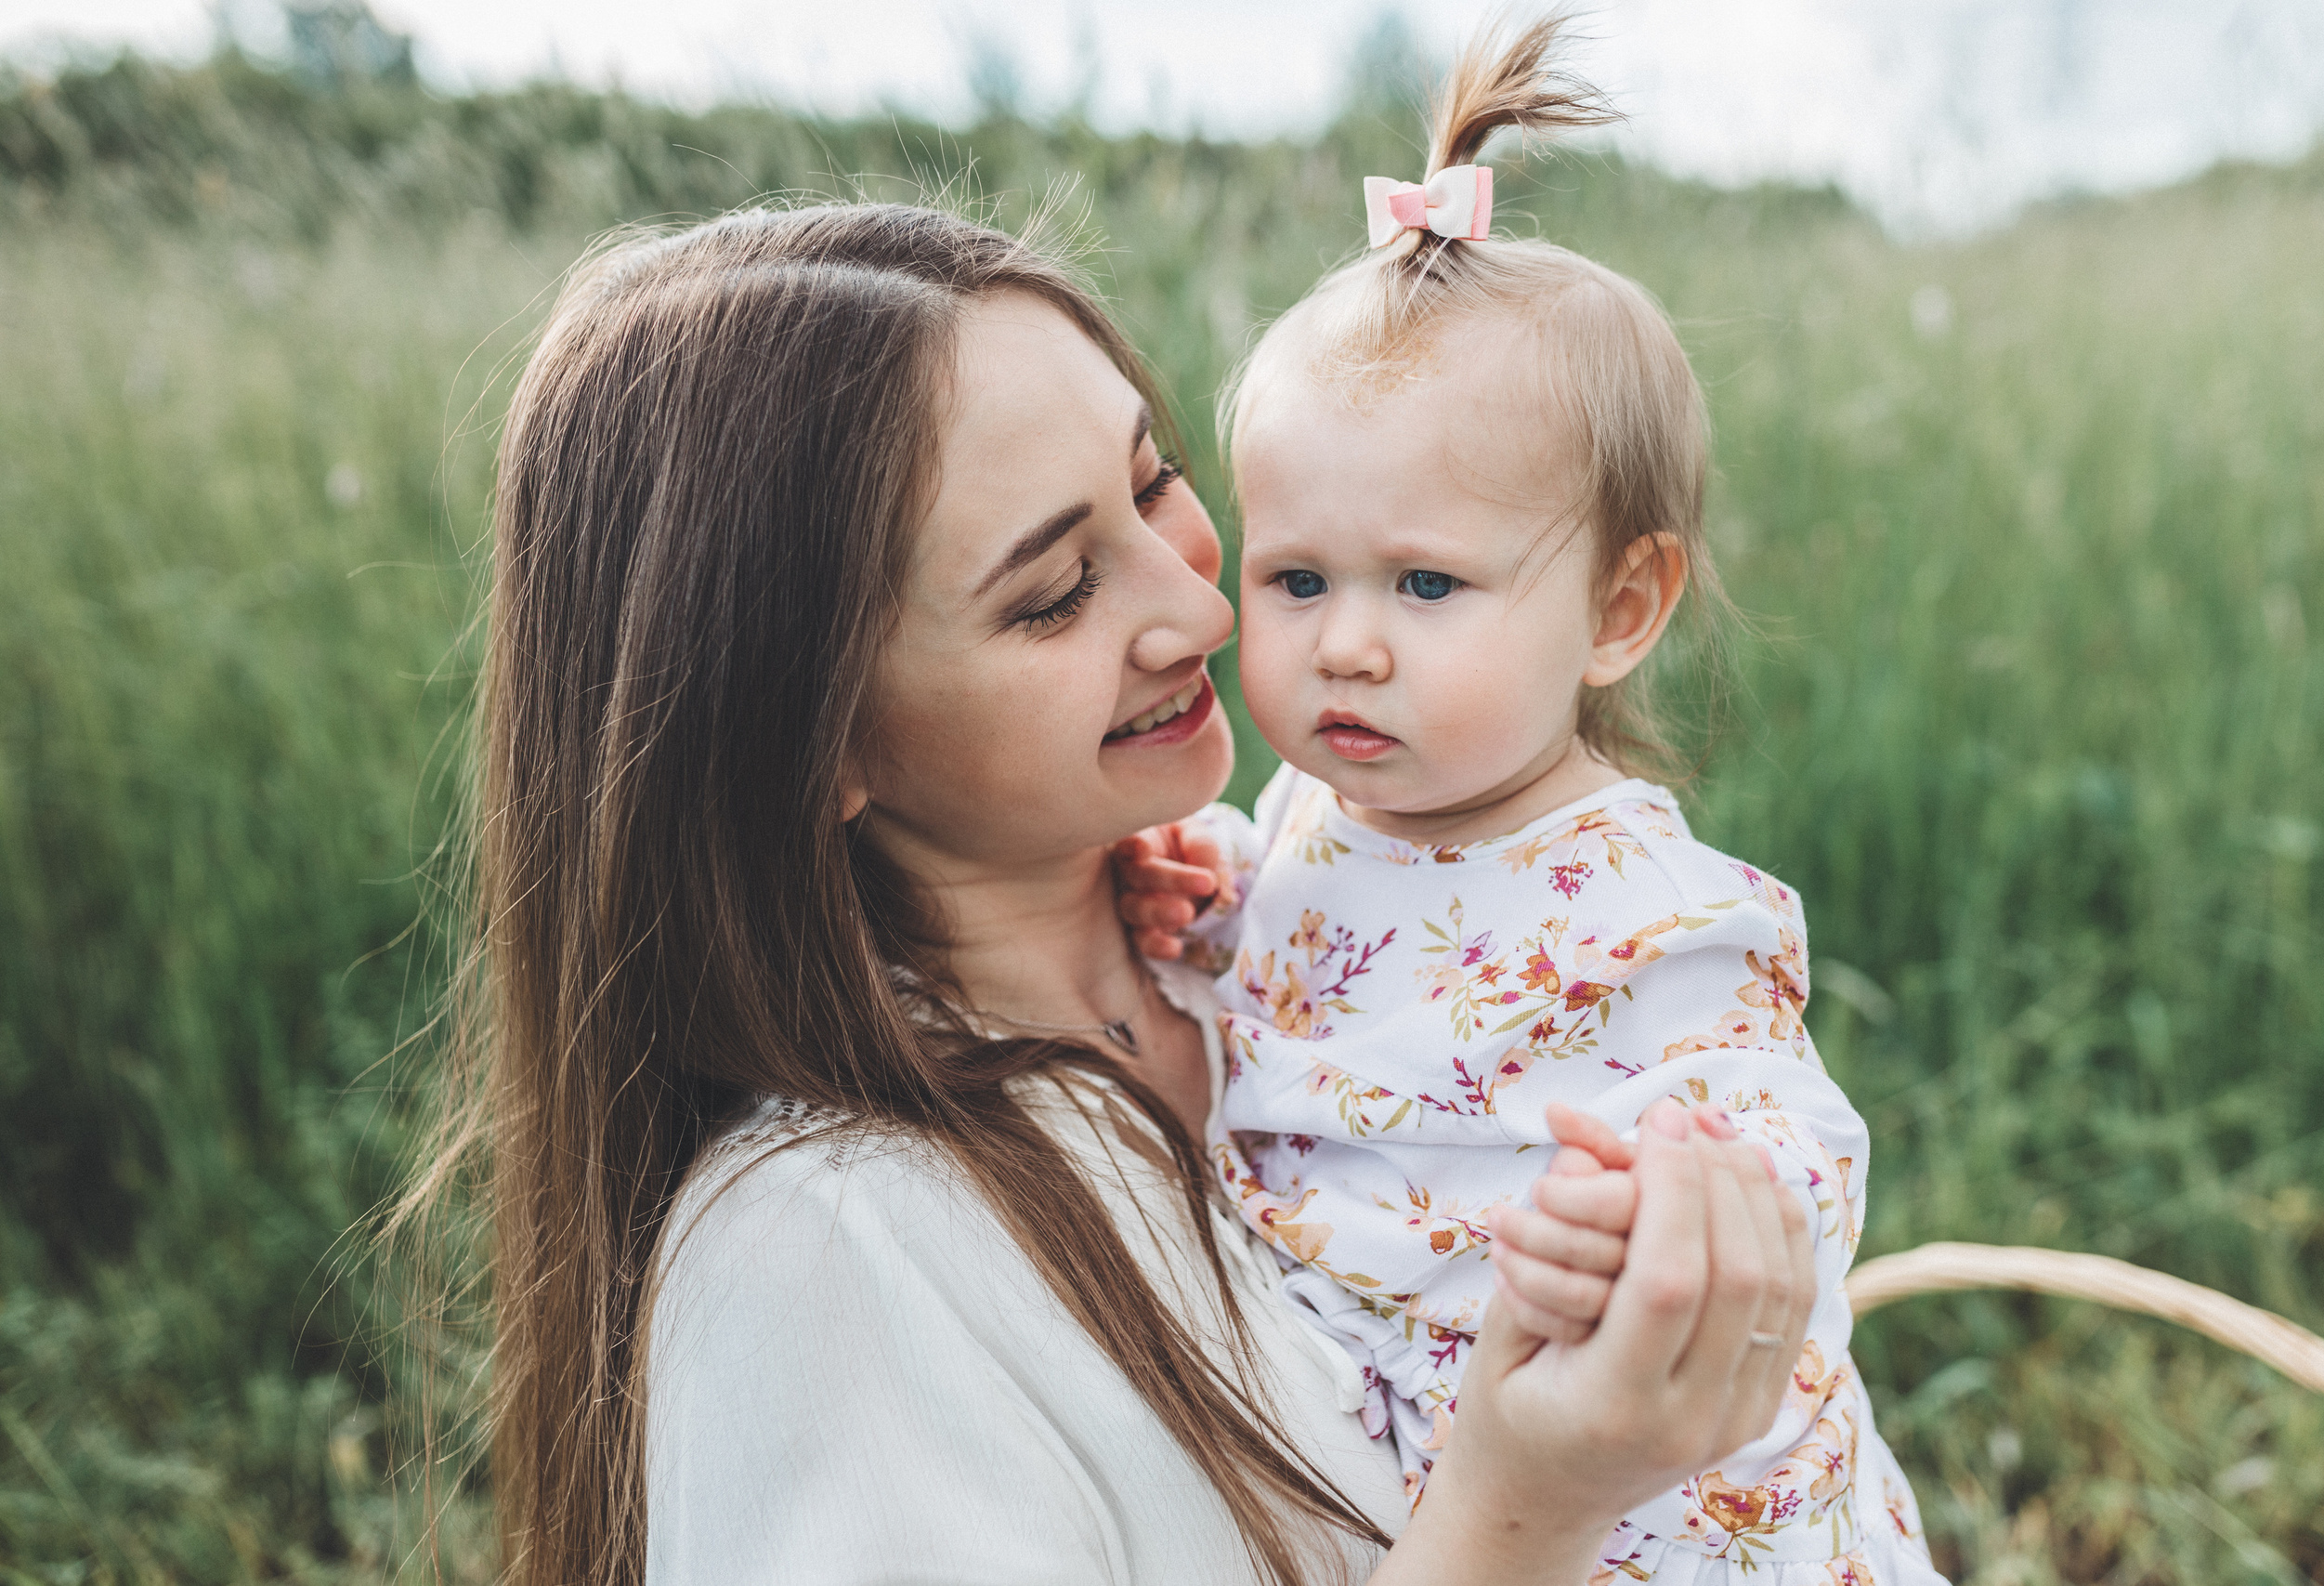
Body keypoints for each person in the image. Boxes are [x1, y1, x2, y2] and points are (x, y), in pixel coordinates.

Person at [436, 190, 1821, 1586]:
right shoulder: (831, 1265)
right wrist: (1526, 1510)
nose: (1208, 613)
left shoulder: (1267, 915)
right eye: (1052, 592)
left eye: (1155, 483)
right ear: (819, 743)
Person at [1111, 15, 1944, 1581]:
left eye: (1428, 582)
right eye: (1297, 577)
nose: (1345, 643)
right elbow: (1319, 971)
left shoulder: (1638, 901)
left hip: (1625, 1497)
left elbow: (1789, 1147)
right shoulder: (1308, 809)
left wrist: (1652, 1219)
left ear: (1620, 612)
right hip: (1403, 1465)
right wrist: (1209, 894)